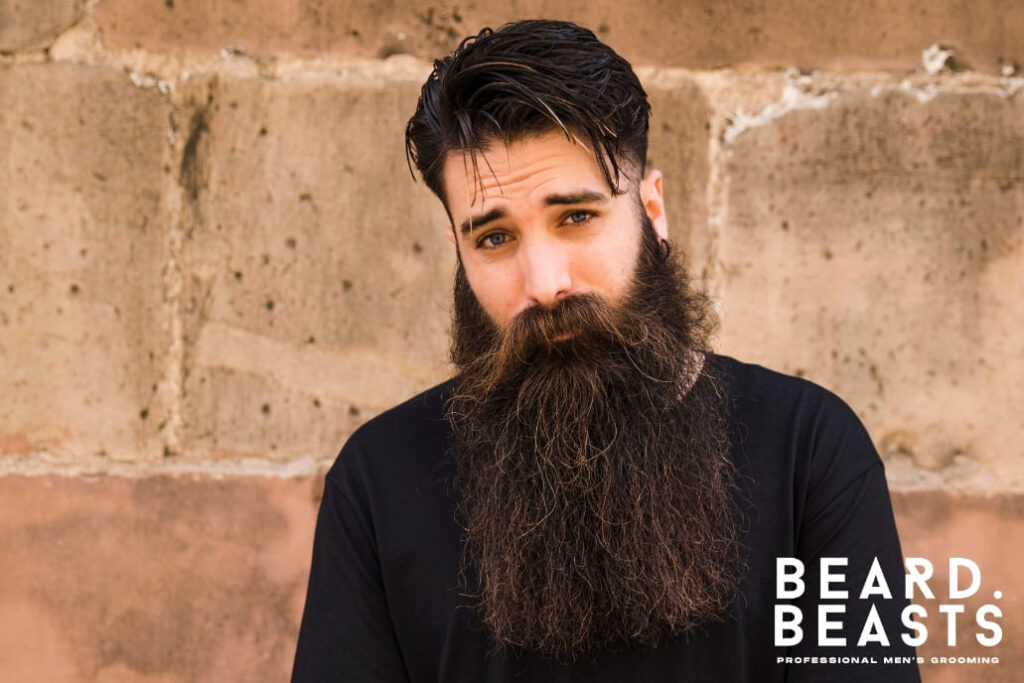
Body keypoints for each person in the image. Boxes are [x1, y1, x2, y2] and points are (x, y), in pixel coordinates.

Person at [292, 19, 920, 682]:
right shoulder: (377, 480)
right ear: (459, 249)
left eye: (576, 217)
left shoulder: (810, 452)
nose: (544, 283)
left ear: (652, 210)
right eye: (495, 239)